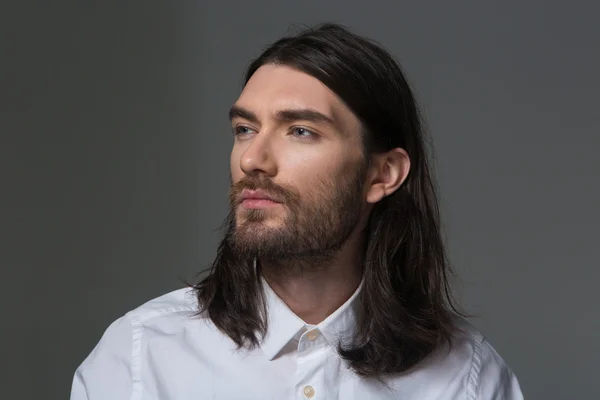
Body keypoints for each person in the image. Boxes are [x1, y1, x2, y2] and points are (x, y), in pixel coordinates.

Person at [71, 23, 523, 399]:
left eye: (300, 131)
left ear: (382, 174)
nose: (252, 160)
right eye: (245, 129)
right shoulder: (138, 360)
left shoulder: (468, 380)